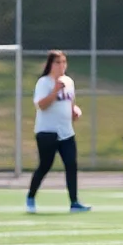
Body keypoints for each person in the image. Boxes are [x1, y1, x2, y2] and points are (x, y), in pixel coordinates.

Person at [25, 50, 89, 214]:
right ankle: (31, 197)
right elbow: (41, 105)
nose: (61, 66)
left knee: (71, 164)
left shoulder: (69, 81)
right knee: (45, 165)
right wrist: (54, 90)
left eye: (64, 62)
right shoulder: (44, 82)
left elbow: (70, 102)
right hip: (47, 132)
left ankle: (74, 202)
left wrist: (74, 111)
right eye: (58, 62)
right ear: (50, 65)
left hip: (66, 132)